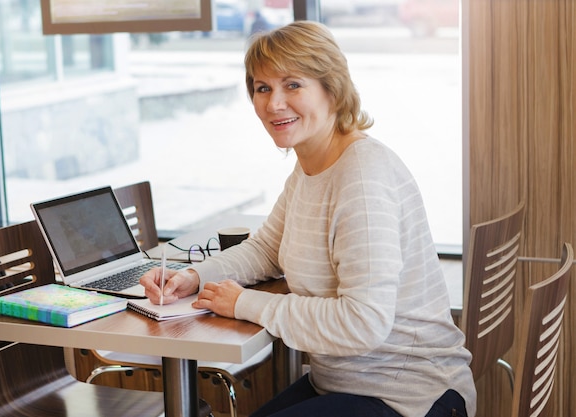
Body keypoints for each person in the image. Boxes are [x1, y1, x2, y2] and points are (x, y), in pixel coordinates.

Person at [140, 21, 476, 417]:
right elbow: (267, 249)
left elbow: (363, 322)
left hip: (410, 394)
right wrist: (196, 277)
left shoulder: (363, 178)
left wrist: (247, 302)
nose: (274, 103)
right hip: (345, 383)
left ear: (332, 89)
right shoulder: (309, 169)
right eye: (262, 88)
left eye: (292, 85)